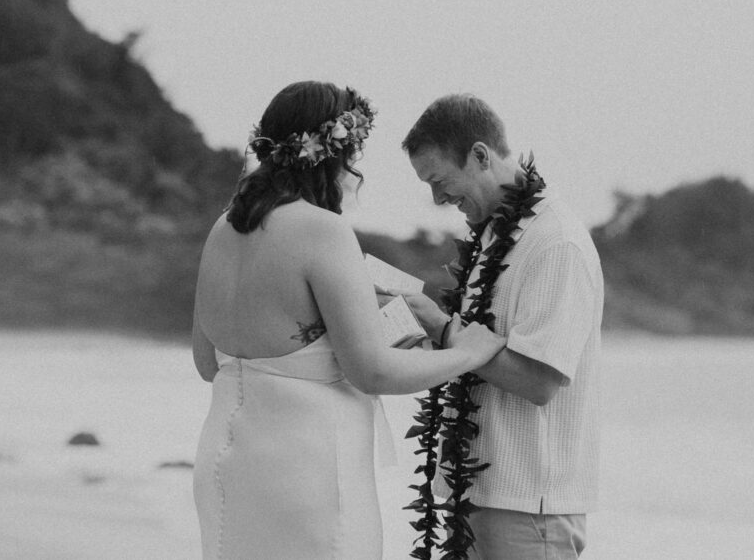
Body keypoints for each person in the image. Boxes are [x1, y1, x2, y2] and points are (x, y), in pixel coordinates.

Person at [190, 81, 505, 560]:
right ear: (335, 154)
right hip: (308, 473)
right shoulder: (323, 230)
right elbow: (371, 372)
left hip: (225, 464)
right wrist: (468, 353)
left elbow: (207, 361)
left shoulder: (225, 226)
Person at [394, 93, 603, 559]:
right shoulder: (494, 235)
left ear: (480, 156)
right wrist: (427, 342)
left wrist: (446, 331)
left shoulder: (555, 242)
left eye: (439, 180)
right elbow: (480, 353)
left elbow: (540, 379)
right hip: (476, 494)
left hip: (528, 505)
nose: (437, 198)